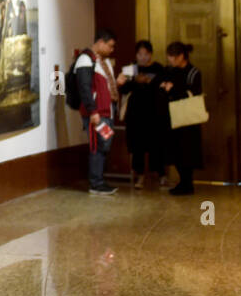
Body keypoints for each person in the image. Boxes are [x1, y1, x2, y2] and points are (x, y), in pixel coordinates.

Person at [116, 40, 168, 189]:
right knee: (137, 145)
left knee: (157, 144)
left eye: (146, 54)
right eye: (140, 54)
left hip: (155, 112)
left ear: (151, 54)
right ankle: (140, 176)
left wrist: (150, 81)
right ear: (136, 55)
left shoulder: (158, 68)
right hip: (135, 113)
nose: (143, 57)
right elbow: (123, 89)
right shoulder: (130, 69)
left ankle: (161, 174)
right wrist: (136, 81)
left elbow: (163, 87)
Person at [75, 28, 119, 195]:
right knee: (97, 145)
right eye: (110, 46)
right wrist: (93, 111)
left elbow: (105, 86)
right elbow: (84, 88)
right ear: (100, 42)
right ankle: (96, 183)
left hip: (107, 112)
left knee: (104, 144)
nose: (111, 49)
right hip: (96, 114)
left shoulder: (104, 62)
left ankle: (99, 180)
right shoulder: (85, 60)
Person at [160, 41, 204, 195]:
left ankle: (187, 183)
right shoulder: (170, 71)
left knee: (188, 150)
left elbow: (193, 93)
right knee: (175, 150)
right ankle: (183, 182)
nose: (170, 60)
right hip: (173, 116)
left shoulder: (193, 72)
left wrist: (173, 90)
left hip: (188, 118)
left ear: (181, 56)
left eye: (172, 56)